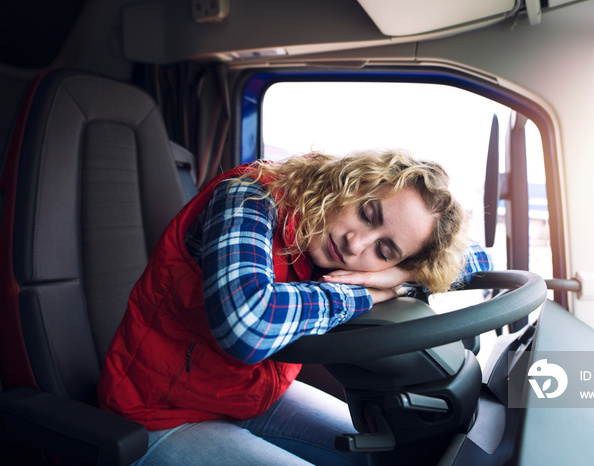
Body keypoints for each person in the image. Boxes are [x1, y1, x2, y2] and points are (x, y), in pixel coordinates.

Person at [98, 150, 492, 465]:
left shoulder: (365, 254)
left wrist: (403, 276)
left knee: (384, 457)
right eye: (367, 213)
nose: (356, 244)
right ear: (350, 184)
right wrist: (367, 292)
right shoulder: (249, 195)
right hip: (157, 412)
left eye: (384, 249)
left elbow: (477, 261)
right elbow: (248, 323)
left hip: (244, 395)